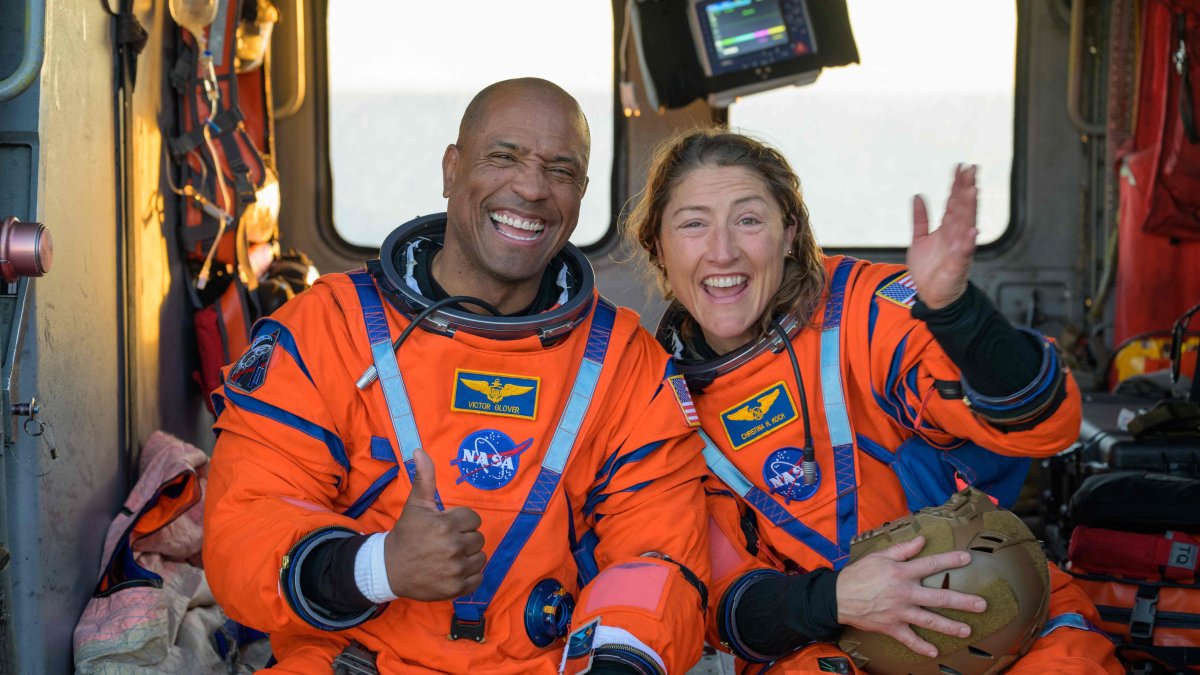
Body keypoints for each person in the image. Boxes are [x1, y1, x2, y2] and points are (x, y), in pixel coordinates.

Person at [202, 78, 711, 674]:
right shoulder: (329, 329)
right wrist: (378, 567)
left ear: (580, 197)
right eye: (504, 157)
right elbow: (244, 525)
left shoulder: (625, 364)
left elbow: (658, 558)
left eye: (561, 170)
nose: (531, 187)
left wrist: (617, 664)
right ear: (451, 170)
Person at [625, 127, 1122, 673]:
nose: (723, 251)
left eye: (748, 220)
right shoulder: (655, 399)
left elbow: (1045, 425)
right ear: (658, 246)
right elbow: (723, 606)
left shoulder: (860, 314)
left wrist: (958, 315)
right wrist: (837, 598)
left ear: (789, 234)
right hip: (830, 638)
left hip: (992, 601)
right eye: (694, 224)